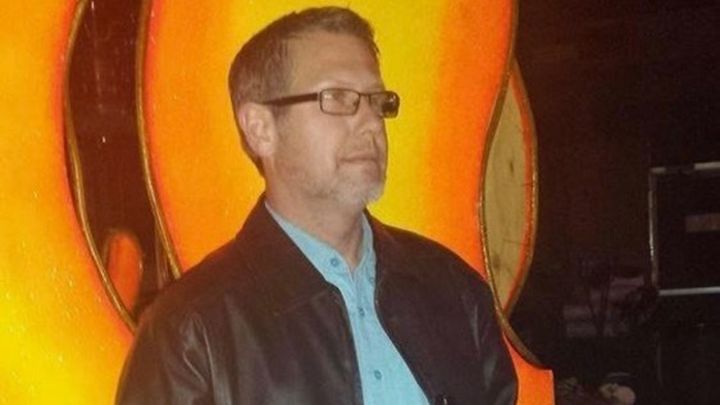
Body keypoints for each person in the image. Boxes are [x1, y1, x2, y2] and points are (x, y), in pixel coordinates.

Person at [116, 6, 517, 405]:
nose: (371, 123)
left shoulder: (453, 291)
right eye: (338, 98)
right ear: (260, 129)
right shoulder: (190, 332)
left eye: (377, 101)